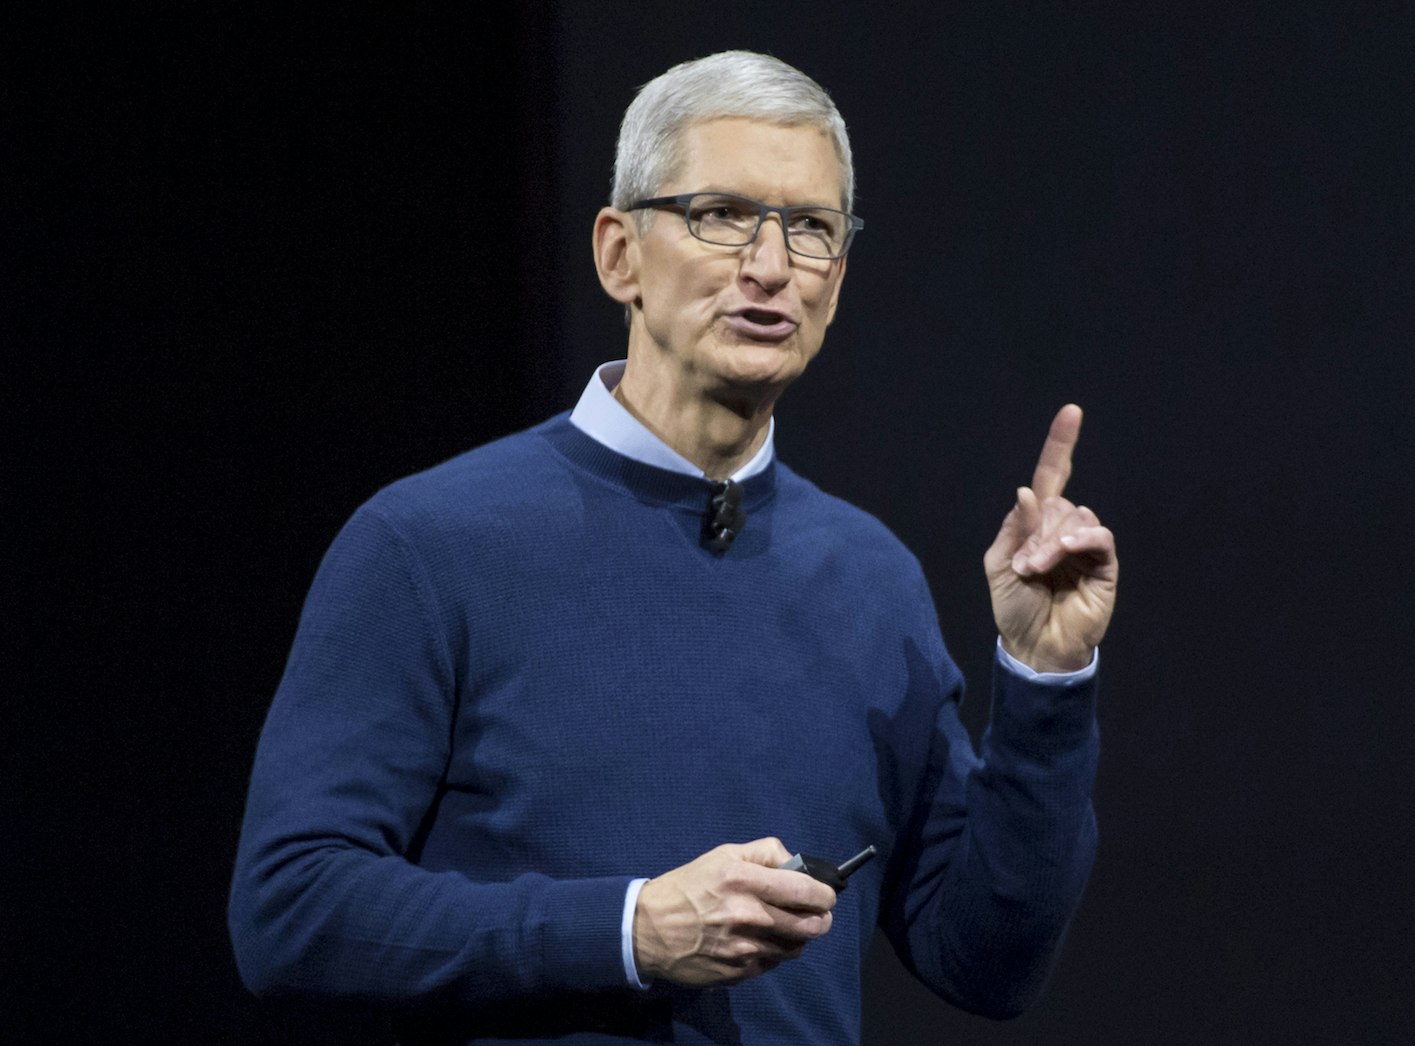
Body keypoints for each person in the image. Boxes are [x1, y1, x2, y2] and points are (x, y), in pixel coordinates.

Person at [228, 50, 1119, 1045]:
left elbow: (988, 961)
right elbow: (291, 910)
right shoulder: (430, 544)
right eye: (721, 214)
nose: (771, 265)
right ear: (619, 255)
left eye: (812, 229)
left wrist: (1045, 681)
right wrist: (628, 931)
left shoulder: (870, 579)